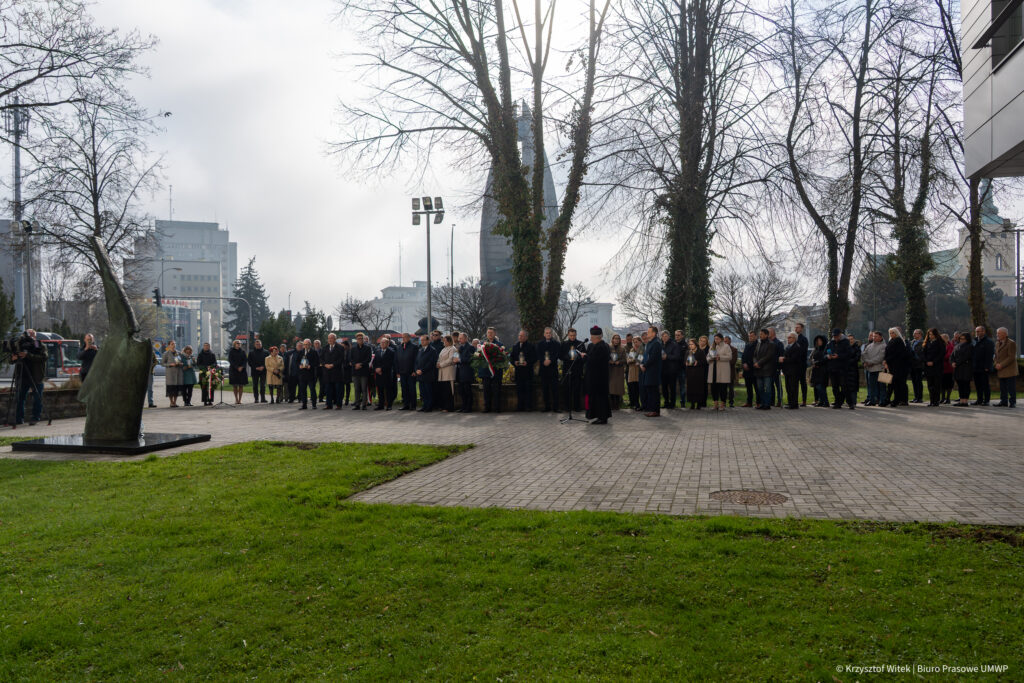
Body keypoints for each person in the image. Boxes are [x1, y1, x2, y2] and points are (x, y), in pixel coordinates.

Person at [13, 329, 46, 425]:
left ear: (35, 336)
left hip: (36, 376)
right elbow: (13, 360)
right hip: (22, 375)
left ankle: (35, 417)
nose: (28, 337)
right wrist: (13, 358)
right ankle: (19, 419)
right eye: (27, 335)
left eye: (31, 335)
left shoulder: (38, 345)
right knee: (20, 397)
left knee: (37, 398)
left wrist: (28, 355)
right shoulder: (20, 345)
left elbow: (44, 357)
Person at [584, 326, 611, 424]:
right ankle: (595, 415)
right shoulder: (592, 346)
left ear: (597, 337)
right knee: (594, 397)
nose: (590, 338)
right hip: (592, 377)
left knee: (601, 398)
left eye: (592, 336)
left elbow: (595, 361)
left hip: (600, 378)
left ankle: (603, 417)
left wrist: (586, 357)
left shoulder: (603, 347)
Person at [560, 328, 586, 412]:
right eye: (571, 335)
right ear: (568, 335)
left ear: (576, 335)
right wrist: (568, 357)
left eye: (574, 335)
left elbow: (584, 357)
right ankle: (567, 407)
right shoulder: (564, 344)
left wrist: (579, 357)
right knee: (566, 389)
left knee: (577, 389)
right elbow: (560, 356)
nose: (572, 337)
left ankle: (577, 407)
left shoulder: (581, 344)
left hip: (577, 370)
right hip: (567, 369)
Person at [478, 335, 505, 413]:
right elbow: (479, 356)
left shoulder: (499, 344)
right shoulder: (482, 344)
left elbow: (502, 356)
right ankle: (487, 407)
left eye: (491, 333)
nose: (490, 334)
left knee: (497, 390)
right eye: (488, 333)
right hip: (486, 372)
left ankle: (497, 408)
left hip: (496, 371)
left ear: (494, 334)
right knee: (486, 390)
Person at [825, 329, 850, 409]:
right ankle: (837, 402)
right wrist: (827, 356)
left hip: (842, 368)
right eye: (834, 336)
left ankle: (849, 402)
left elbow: (848, 354)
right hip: (832, 368)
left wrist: (838, 356)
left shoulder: (846, 342)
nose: (835, 338)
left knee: (844, 386)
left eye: (836, 336)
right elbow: (824, 353)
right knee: (835, 387)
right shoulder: (830, 343)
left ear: (840, 334)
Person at [536, 327, 561, 412]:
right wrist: (543, 361)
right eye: (546, 333)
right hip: (544, 369)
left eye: (549, 333)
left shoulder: (557, 344)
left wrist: (550, 360)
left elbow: (557, 354)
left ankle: (556, 408)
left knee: (555, 389)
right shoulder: (539, 344)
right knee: (545, 389)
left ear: (552, 334)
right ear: (544, 334)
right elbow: (538, 354)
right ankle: (547, 407)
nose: (548, 334)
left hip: (553, 369)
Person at [883, 327, 909, 407]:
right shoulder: (891, 341)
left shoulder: (898, 341)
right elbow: (887, 352)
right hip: (891, 365)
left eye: (893, 333)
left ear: (896, 333)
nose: (891, 334)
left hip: (897, 366)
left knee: (895, 384)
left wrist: (887, 360)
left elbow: (897, 354)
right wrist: (885, 360)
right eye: (890, 333)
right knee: (891, 383)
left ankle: (894, 400)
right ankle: (889, 399)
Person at [510, 330, 536, 412]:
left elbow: (534, 358)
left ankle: (529, 407)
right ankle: (520, 407)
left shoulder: (531, 346)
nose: (520, 337)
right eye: (519, 335)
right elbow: (511, 358)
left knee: (528, 390)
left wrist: (527, 362)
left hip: (528, 372)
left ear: (526, 337)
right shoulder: (515, 346)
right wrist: (514, 362)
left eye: (522, 336)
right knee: (519, 390)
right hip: (519, 372)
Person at [640, 326, 663, 417]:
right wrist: (642, 364)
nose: (647, 333)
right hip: (647, 370)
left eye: (649, 332)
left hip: (653, 371)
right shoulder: (649, 343)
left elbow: (653, 358)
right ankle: (651, 409)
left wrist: (645, 366)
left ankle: (655, 410)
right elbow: (645, 356)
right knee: (649, 390)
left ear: (654, 333)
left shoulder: (656, 343)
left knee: (653, 391)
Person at [752, 329, 777, 410]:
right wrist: (755, 363)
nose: (760, 335)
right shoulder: (758, 343)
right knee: (760, 388)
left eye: (762, 334)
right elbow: (755, 355)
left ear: (766, 335)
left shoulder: (771, 344)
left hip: (767, 370)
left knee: (768, 388)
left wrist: (759, 363)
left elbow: (769, 356)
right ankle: (762, 403)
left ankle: (767, 404)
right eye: (760, 334)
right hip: (758, 370)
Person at [707, 333, 732, 411]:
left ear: (721, 339)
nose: (716, 340)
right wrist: (710, 359)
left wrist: (720, 357)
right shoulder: (712, 346)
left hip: (722, 371)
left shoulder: (726, 346)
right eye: (715, 339)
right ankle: (715, 404)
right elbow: (707, 357)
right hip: (713, 370)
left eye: (717, 338)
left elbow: (729, 357)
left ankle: (722, 405)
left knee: (722, 388)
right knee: (714, 388)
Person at [993, 327, 1018, 407]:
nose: (997, 335)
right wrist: (995, 364)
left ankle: (1012, 402)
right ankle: (1003, 401)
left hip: (1009, 369)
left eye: (999, 333)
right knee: (1002, 387)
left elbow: (1011, 357)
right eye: (997, 333)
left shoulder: (1011, 343)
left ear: (1005, 334)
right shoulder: (997, 343)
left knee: (1011, 387)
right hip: (1000, 369)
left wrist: (1001, 365)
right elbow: (996, 356)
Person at [321, 333, 346, 409]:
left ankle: (339, 405)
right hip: (327, 372)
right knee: (328, 390)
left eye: (331, 338)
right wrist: (325, 364)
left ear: (335, 339)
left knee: (338, 390)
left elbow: (341, 359)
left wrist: (333, 365)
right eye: (329, 338)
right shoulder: (325, 348)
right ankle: (329, 405)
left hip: (337, 372)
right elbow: (321, 358)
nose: (330, 340)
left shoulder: (340, 348)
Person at [395, 332, 419, 410]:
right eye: (402, 337)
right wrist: (397, 372)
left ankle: (413, 405)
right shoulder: (399, 347)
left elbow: (416, 360)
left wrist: (414, 371)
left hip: (411, 372)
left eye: (405, 337)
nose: (403, 339)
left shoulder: (414, 347)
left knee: (412, 389)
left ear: (409, 338)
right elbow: (397, 360)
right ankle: (406, 404)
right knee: (404, 389)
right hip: (402, 372)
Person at [414, 334, 438, 412]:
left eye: (424, 340)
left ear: (428, 341)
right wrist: (417, 369)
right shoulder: (420, 349)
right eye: (421, 340)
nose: (422, 342)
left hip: (428, 374)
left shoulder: (432, 350)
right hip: (420, 375)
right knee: (422, 392)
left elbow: (431, 363)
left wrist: (422, 370)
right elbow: (416, 361)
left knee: (428, 391)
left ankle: (429, 406)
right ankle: (424, 405)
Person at [972, 326, 995, 406]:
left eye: (979, 331)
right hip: (975, 367)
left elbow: (989, 356)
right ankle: (979, 399)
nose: (977, 333)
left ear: (983, 332)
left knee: (985, 384)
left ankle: (986, 400)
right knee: (978, 385)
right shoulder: (974, 341)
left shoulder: (989, 342)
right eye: (976, 331)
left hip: (984, 368)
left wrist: (987, 367)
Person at [922, 328, 945, 407]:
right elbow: (923, 354)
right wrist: (926, 361)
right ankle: (931, 400)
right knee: (930, 385)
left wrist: (933, 362)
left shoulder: (940, 342)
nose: (930, 336)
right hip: (928, 367)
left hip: (936, 366)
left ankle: (936, 401)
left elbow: (941, 354)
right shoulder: (926, 343)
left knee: (936, 384)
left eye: (932, 334)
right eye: (929, 334)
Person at [350, 333, 372, 410]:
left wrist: (361, 364)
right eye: (358, 339)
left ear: (363, 339)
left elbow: (368, 359)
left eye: (361, 338)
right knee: (356, 389)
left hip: (364, 371)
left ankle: (364, 405)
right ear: (356, 340)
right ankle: (357, 404)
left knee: (364, 389)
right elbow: (350, 359)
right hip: (355, 371)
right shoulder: (353, 348)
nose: (360, 340)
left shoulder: (367, 348)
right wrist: (355, 364)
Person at [950, 332, 974, 407]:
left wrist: (956, 363)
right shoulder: (957, 346)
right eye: (960, 339)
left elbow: (965, 357)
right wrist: (952, 362)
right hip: (958, 369)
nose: (961, 340)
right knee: (960, 385)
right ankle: (961, 400)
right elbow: (952, 356)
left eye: (963, 339)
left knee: (965, 385)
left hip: (966, 369)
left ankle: (965, 401)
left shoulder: (970, 346)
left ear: (967, 339)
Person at [781, 332, 804, 409]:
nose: (788, 339)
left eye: (790, 337)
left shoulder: (797, 347)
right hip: (787, 370)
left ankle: (794, 404)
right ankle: (790, 402)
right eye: (788, 337)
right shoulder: (788, 346)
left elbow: (794, 359)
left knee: (793, 387)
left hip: (794, 371)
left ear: (794, 338)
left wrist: (784, 359)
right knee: (788, 387)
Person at [436, 334, 458, 412]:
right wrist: (437, 363)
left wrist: (441, 364)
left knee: (449, 391)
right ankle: (444, 406)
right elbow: (439, 357)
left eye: (445, 341)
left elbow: (451, 359)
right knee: (443, 391)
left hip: (449, 372)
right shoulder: (443, 349)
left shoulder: (453, 349)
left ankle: (449, 407)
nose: (443, 342)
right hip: (442, 372)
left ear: (449, 341)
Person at [296, 338, 320, 409]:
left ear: (310, 344)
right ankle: (304, 404)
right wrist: (299, 365)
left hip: (310, 374)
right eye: (304, 344)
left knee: (312, 389)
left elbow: (317, 362)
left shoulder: (314, 352)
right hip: (302, 374)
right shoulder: (301, 352)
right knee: (303, 390)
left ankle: (314, 404)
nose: (305, 346)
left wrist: (310, 366)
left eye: (307, 344)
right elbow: (297, 361)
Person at [374, 335, 396, 410]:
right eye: (381, 342)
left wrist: (381, 369)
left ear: (388, 343)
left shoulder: (391, 352)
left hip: (387, 374)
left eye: (384, 343)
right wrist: (376, 369)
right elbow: (374, 362)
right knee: (380, 390)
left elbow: (390, 363)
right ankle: (381, 405)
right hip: (378, 374)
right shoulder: (377, 351)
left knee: (388, 390)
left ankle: (389, 405)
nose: (382, 344)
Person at [455, 332, 475, 413]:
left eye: (461, 338)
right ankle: (463, 406)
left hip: (467, 372)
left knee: (467, 391)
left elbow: (470, 359)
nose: (459, 340)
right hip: (460, 372)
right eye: (459, 338)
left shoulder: (470, 347)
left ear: (466, 338)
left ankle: (468, 407)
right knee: (461, 391)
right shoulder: (460, 347)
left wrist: (459, 360)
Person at [661, 330, 679, 409]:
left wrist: (667, 357)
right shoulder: (660, 345)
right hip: (662, 370)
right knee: (664, 388)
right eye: (663, 336)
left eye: (666, 336)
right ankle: (666, 402)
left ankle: (672, 403)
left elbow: (677, 357)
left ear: (669, 336)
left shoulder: (674, 345)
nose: (664, 338)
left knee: (672, 388)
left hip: (671, 370)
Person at [162, 341, 184, 408]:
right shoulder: (166, 353)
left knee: (176, 388)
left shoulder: (179, 353)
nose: (174, 345)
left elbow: (181, 361)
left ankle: (175, 402)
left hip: (178, 373)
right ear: (169, 345)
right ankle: (171, 402)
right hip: (170, 373)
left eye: (174, 344)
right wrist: (170, 364)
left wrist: (181, 364)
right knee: (170, 388)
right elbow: (163, 363)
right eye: (172, 344)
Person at [683, 339, 704, 409]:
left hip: (698, 373)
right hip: (690, 373)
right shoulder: (687, 352)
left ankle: (699, 404)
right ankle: (692, 403)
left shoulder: (700, 352)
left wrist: (698, 362)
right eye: (689, 344)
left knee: (698, 388)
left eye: (692, 344)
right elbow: (685, 361)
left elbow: (704, 361)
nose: (690, 346)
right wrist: (686, 363)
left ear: (696, 344)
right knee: (691, 388)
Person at [810, 335, 829, 407]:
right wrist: (813, 362)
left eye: (820, 341)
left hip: (822, 370)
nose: (818, 342)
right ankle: (821, 401)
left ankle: (826, 401)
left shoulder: (826, 349)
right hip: (816, 370)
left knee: (821, 386)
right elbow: (812, 358)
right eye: (817, 341)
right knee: (817, 386)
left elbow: (824, 359)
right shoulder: (816, 349)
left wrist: (817, 362)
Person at [608, 334, 627, 410]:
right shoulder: (609, 348)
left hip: (619, 371)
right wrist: (609, 361)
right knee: (611, 388)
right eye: (615, 339)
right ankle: (611, 405)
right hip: (611, 371)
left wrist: (619, 362)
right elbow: (606, 357)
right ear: (612, 339)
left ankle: (617, 405)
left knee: (618, 389)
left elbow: (625, 360)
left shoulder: (622, 349)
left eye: (618, 339)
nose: (616, 340)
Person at [768, 328, 785, 407]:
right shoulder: (768, 343)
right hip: (769, 368)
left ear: (773, 333)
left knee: (778, 385)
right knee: (770, 385)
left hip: (776, 367)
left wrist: (780, 367)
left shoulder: (778, 343)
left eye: (769, 332)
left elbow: (781, 355)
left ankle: (779, 400)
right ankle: (771, 401)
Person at [248, 339, 268, 404]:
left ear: (261, 344)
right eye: (257, 344)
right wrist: (256, 367)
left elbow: (268, 362)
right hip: (255, 371)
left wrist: (263, 367)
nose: (258, 345)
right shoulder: (251, 353)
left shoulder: (266, 352)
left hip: (263, 371)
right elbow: (249, 362)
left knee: (263, 385)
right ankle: (256, 399)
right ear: (254, 345)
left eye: (259, 344)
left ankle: (263, 398)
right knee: (255, 385)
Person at [228, 340, 248, 405]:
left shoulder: (243, 351)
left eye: (239, 343)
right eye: (237, 343)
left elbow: (245, 360)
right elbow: (230, 360)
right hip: (234, 370)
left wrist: (242, 367)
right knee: (235, 385)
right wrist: (237, 367)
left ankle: (240, 399)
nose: (239, 344)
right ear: (234, 344)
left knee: (241, 385)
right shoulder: (231, 351)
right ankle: (236, 399)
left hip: (242, 370)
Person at [794, 323, 810, 405]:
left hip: (801, 364)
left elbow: (802, 351)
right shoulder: (794, 338)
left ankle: (804, 400)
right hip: (794, 365)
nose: (796, 328)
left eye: (798, 327)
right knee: (794, 383)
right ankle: (794, 400)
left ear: (802, 329)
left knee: (802, 382)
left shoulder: (804, 339)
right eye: (795, 327)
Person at [741, 331, 757, 407]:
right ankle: (749, 402)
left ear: (755, 336)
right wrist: (744, 363)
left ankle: (758, 402)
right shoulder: (747, 345)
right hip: (746, 370)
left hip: (754, 370)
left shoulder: (758, 345)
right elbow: (743, 356)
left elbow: (756, 357)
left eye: (752, 336)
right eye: (749, 336)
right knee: (748, 387)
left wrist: (749, 365)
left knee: (757, 387)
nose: (750, 337)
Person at [844, 334, 861, 409]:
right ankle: (848, 401)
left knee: (853, 386)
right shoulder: (845, 348)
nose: (850, 340)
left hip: (853, 369)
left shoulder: (857, 348)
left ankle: (853, 401)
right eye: (848, 339)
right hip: (846, 369)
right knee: (847, 386)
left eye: (851, 339)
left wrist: (849, 361)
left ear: (853, 340)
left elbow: (857, 357)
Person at [626, 336, 643, 411]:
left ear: (640, 341)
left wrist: (635, 360)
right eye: (634, 342)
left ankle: (643, 404)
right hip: (632, 371)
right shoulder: (632, 350)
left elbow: (641, 360)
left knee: (640, 389)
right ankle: (636, 404)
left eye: (636, 342)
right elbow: (628, 361)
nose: (635, 343)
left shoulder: (642, 349)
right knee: (634, 389)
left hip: (640, 371)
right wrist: (634, 360)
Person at [909, 329, 926, 402]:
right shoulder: (912, 342)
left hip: (919, 365)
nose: (914, 335)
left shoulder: (923, 343)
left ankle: (920, 397)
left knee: (918, 381)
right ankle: (916, 397)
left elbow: (923, 354)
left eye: (916, 333)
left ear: (920, 334)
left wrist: (918, 358)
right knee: (914, 381)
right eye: (914, 333)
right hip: (912, 365)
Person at [673, 329, 687, 407]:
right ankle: (673, 402)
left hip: (681, 369)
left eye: (678, 335)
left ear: (682, 336)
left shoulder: (685, 345)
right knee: (673, 386)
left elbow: (685, 357)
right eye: (675, 335)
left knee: (682, 386)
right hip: (673, 369)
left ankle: (682, 403)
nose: (677, 337)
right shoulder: (673, 344)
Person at [695, 335, 710, 407]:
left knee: (704, 386)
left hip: (705, 369)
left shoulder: (708, 349)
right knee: (697, 386)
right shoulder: (696, 348)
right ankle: (698, 401)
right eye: (701, 341)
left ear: (706, 342)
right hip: (697, 369)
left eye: (704, 341)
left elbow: (707, 360)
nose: (702, 342)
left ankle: (704, 402)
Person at [941, 333, 955, 404]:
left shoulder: (950, 346)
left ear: (946, 339)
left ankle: (948, 398)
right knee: (942, 384)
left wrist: (940, 357)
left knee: (949, 384)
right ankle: (942, 398)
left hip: (948, 368)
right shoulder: (940, 346)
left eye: (943, 338)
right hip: (942, 367)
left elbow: (949, 355)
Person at [724, 335, 737, 407]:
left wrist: (723, 360)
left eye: (726, 341)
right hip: (723, 372)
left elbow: (733, 361)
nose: (725, 342)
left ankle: (731, 402)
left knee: (731, 388)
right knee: (723, 388)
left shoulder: (734, 350)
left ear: (730, 341)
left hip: (730, 372)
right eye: (724, 341)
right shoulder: (721, 349)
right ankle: (724, 402)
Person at [340, 338, 353, 406]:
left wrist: (346, 365)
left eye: (343, 345)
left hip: (348, 371)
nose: (342, 347)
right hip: (342, 371)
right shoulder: (341, 351)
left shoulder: (350, 351)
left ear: (346, 345)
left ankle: (347, 399)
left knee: (347, 386)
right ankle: (342, 398)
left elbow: (350, 361)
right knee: (342, 386)